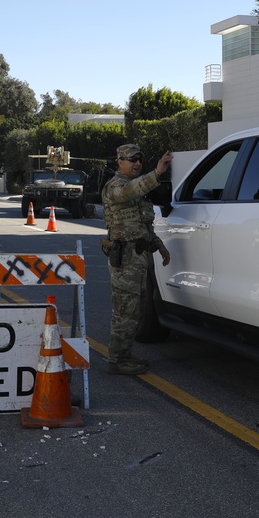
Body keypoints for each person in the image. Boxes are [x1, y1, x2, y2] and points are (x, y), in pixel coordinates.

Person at [102, 144, 172, 375]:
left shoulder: (138, 192)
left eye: (139, 159)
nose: (137, 163)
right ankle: (116, 360)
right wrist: (157, 173)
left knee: (135, 310)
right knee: (124, 311)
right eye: (132, 159)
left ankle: (125, 354)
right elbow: (127, 191)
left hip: (138, 257)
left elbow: (143, 226)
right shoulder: (115, 186)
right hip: (125, 259)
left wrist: (159, 246)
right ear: (119, 161)